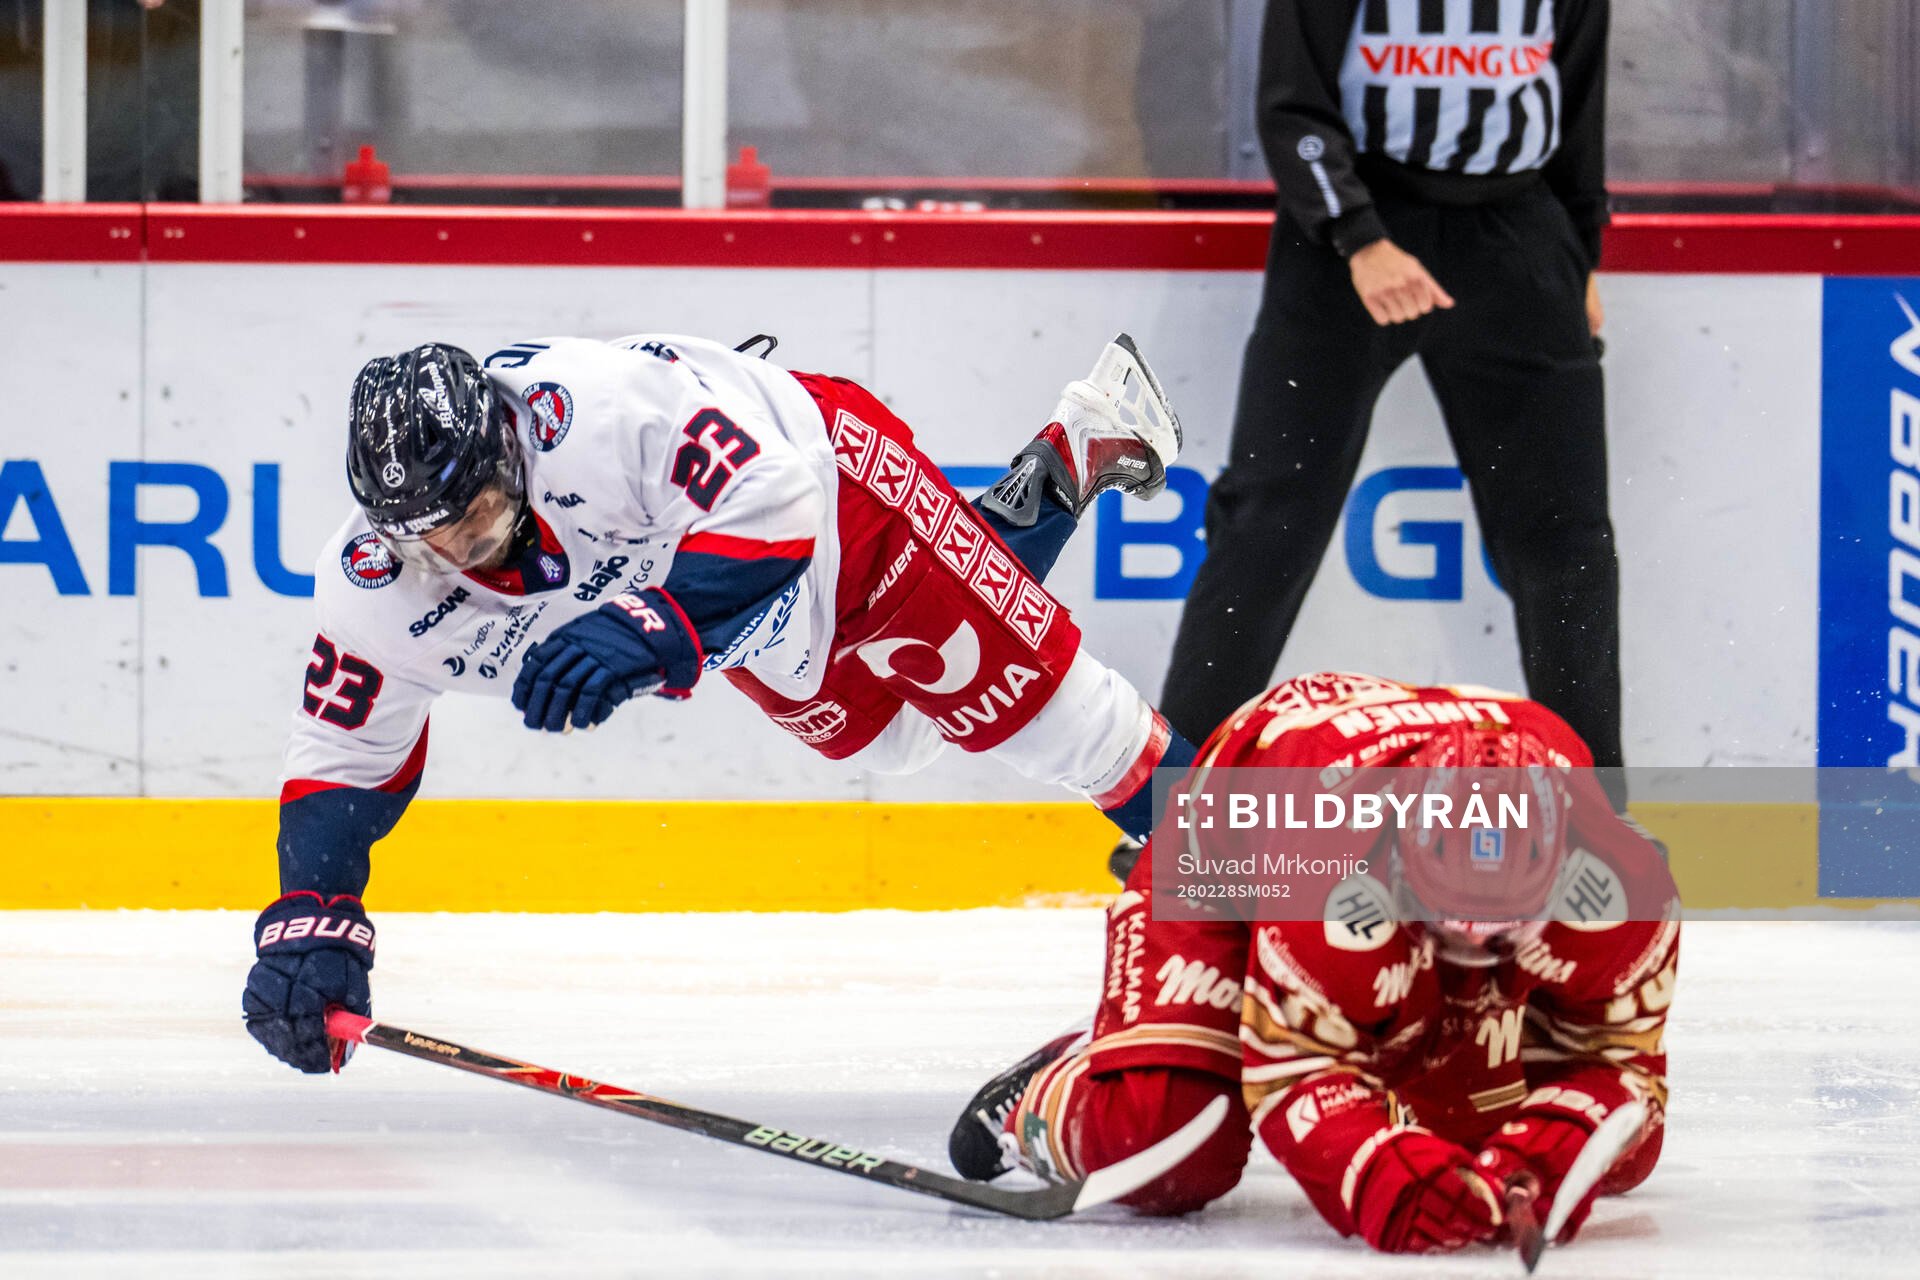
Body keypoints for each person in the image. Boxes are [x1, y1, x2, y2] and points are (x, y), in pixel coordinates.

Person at [244, 331, 1198, 1074]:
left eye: (481, 517)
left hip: (825, 485)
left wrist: (650, 628)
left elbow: (776, 499)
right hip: (724, 590)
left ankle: (1319, 897)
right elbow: (341, 754)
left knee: (1065, 728)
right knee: (901, 738)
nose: (465, 556)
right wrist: (312, 919)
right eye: (430, 541)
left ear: (509, 447)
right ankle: (1074, 454)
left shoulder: (605, 414)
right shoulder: (375, 582)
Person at [951, 671, 1678, 1256]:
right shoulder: (1322, 863)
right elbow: (1293, 1070)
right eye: (1445, 928)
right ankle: (1070, 1081)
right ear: (1395, 869)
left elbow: (1622, 1069)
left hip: (1369, 852)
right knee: (1167, 1142)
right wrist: (1375, 1176)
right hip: (1236, 839)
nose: (1471, 961)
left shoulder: (1624, 882)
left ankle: (1205, 1025)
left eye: (1499, 937)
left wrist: (1546, 1153)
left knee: (1612, 1160)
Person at [1155, 0, 1623, 835]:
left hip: (1519, 238)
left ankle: (1594, 824)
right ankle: (1173, 820)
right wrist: (1358, 236)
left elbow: (1577, 102)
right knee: (1268, 521)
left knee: (1567, 542)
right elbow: (1292, 104)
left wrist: (1580, 250)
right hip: (1344, 248)